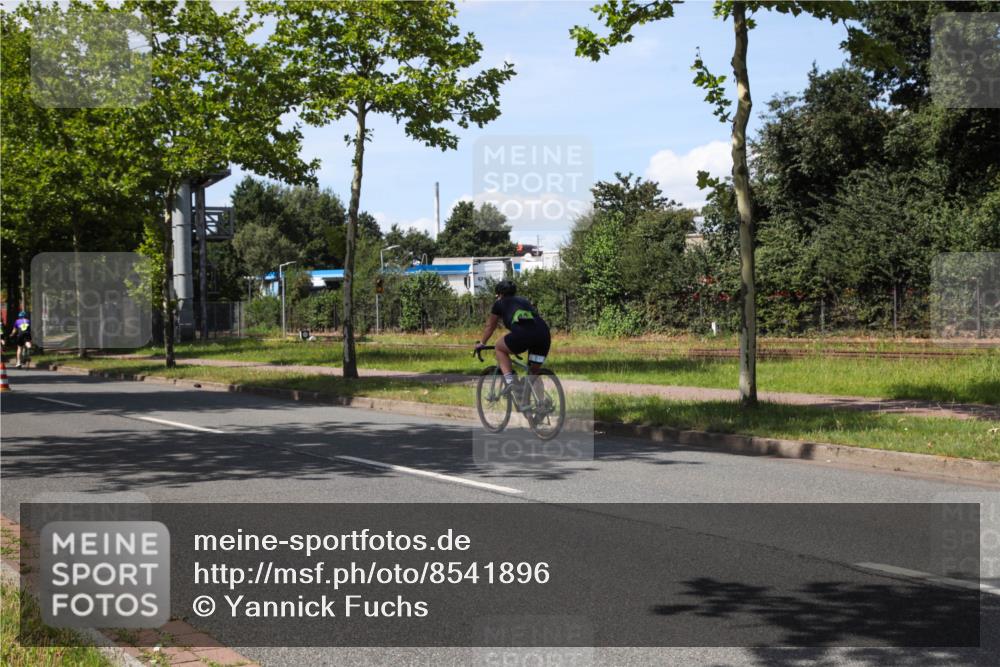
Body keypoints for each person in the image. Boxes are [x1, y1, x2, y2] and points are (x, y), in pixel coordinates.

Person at [475, 280, 550, 397]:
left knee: (499, 347)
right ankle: (540, 403)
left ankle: (510, 382)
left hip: (524, 334)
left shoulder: (499, 303)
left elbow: (490, 326)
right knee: (533, 373)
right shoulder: (523, 301)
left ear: (500, 294)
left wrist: (482, 343)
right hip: (543, 334)